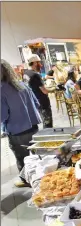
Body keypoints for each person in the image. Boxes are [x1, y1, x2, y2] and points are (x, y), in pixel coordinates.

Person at [1, 59, 42, 188]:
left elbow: (3, 115)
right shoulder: (22, 85)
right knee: (36, 155)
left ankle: (26, 180)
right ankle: (40, 177)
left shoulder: (1, 90)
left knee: (22, 157)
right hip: (33, 127)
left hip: (17, 130)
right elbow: (37, 104)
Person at [23, 54, 53, 128]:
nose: (41, 65)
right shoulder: (36, 75)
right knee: (47, 124)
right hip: (43, 102)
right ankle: (48, 138)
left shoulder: (26, 73)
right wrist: (54, 89)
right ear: (35, 63)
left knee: (44, 120)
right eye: (39, 63)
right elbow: (44, 91)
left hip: (34, 101)